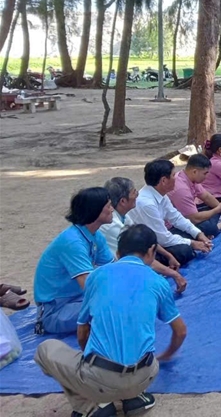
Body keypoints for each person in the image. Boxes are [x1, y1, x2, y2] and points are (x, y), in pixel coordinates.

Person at [34, 225, 188, 417]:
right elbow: (180, 331)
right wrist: (165, 355)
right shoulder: (159, 282)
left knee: (46, 349)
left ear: (117, 251)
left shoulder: (97, 276)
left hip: (101, 378)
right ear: (151, 251)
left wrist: (91, 363)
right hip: (147, 373)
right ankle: (134, 398)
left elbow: (82, 333)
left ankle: (90, 407)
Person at [33, 188, 115, 335]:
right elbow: (89, 285)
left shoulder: (95, 236)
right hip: (55, 311)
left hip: (78, 299)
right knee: (113, 307)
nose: (112, 209)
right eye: (108, 206)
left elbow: (112, 269)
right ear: (95, 211)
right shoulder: (72, 243)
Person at [99, 177, 187, 293]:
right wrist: (173, 274)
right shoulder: (113, 225)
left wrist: (168, 255)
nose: (137, 194)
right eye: (134, 192)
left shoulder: (123, 215)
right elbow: (138, 255)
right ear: (123, 201)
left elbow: (145, 239)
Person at [126, 159, 213, 267]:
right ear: (163, 181)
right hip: (149, 244)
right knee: (184, 251)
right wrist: (192, 243)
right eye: (173, 175)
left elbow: (176, 218)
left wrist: (198, 234)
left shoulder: (161, 194)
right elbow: (162, 239)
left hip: (162, 235)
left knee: (202, 228)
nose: (175, 179)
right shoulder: (146, 204)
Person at [167, 154, 221, 239]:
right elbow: (194, 219)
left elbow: (206, 196)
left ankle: (217, 222)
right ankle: (220, 224)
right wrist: (218, 210)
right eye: (205, 173)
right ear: (194, 171)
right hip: (176, 224)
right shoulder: (181, 188)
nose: (206, 177)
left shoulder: (190, 178)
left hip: (190, 213)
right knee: (208, 227)